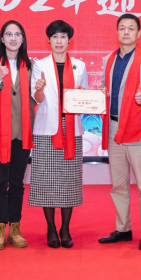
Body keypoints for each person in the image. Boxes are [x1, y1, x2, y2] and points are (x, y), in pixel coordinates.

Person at [98, 13, 141, 251]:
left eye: (131, 28)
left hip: (138, 128)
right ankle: (123, 228)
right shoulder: (108, 59)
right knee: (119, 185)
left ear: (138, 33)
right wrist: (102, 92)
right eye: (122, 28)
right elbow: (107, 88)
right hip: (114, 127)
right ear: (117, 32)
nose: (126, 32)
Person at [28, 20, 88, 249]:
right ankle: (51, 228)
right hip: (47, 129)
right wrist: (39, 89)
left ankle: (65, 228)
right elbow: (38, 99)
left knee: (68, 180)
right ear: (49, 41)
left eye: (63, 36)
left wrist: (82, 94)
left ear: (69, 40)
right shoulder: (39, 65)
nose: (59, 41)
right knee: (46, 180)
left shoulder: (80, 66)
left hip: (71, 128)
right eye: (55, 37)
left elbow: (83, 99)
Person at [0, 21, 35, 250]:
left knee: (17, 183)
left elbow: (36, 98)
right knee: (0, 181)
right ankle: (0, 229)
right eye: (9, 34)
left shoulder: (31, 66)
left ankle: (16, 228)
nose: (13, 38)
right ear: (2, 38)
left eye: (17, 34)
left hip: (22, 132)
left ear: (22, 39)